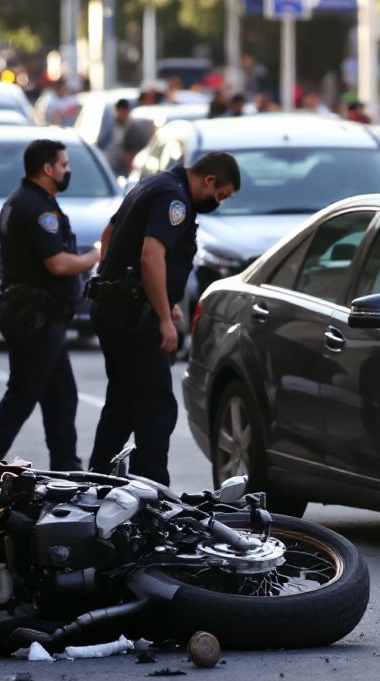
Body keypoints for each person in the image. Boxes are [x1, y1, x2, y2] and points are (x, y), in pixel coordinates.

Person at [86, 153, 240, 485]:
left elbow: (110, 233)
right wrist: (162, 316)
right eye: (220, 194)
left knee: (123, 403)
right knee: (157, 409)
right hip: (136, 319)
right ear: (209, 180)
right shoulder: (175, 199)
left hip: (115, 309)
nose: (218, 202)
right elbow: (151, 255)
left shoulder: (152, 184)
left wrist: (143, 293)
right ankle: (152, 490)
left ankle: (97, 480)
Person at [0, 139, 101, 469]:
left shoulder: (27, 200)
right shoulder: (37, 208)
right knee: (22, 395)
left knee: (61, 395)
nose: (68, 170)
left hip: (43, 317)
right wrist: (93, 256)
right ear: (48, 169)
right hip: (35, 317)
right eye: (64, 165)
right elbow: (57, 264)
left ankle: (68, 469)